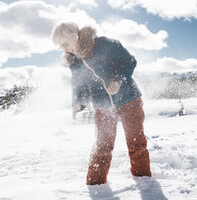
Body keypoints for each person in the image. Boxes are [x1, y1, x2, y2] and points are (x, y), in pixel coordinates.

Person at [51, 22, 151, 185]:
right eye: (60, 47)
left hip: (129, 100)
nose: (64, 49)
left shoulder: (104, 44)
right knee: (102, 146)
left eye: (65, 44)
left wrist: (118, 81)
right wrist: (78, 102)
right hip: (103, 106)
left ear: (74, 36)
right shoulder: (74, 61)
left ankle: (144, 183)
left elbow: (130, 61)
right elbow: (78, 83)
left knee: (136, 143)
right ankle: (95, 186)